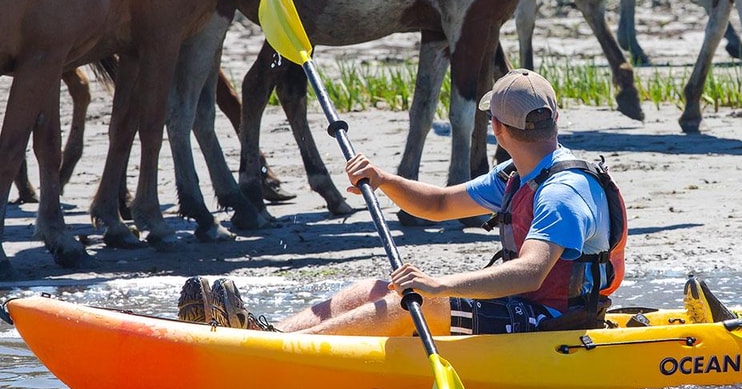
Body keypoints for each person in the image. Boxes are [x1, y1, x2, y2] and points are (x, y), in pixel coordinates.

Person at [177, 68, 628, 336]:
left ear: (498, 130)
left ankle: (281, 354)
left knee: (424, 301)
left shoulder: (562, 193)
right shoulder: (519, 173)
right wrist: (383, 179)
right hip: (523, 308)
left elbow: (532, 270)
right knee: (379, 289)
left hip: (551, 324)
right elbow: (437, 204)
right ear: (553, 121)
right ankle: (270, 337)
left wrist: (441, 286)